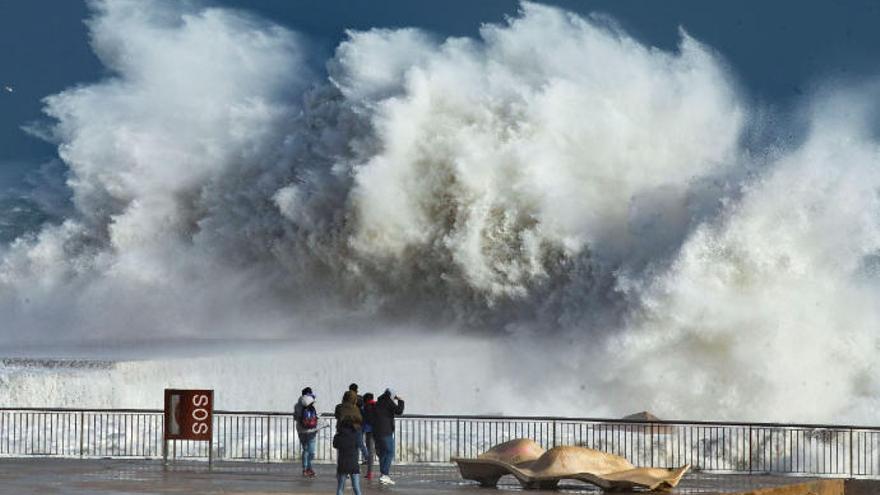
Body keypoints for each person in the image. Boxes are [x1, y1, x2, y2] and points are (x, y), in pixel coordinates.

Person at [373, 388, 405, 485]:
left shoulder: (378, 402)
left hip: (377, 432)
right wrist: (401, 401)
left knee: (383, 453)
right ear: (391, 395)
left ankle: (383, 475)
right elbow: (399, 411)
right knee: (390, 452)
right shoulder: (388, 402)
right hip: (386, 431)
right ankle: (385, 474)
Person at [294, 387, 320, 477]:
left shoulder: (297, 405)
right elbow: (317, 416)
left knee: (306, 450)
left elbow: (296, 417)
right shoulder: (313, 403)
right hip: (311, 430)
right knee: (311, 451)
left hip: (301, 430)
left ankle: (306, 469)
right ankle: (308, 468)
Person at [333, 419, 363, 495]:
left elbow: (335, 445)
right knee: (356, 488)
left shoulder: (338, 436)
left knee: (340, 488)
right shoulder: (356, 435)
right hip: (354, 464)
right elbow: (361, 445)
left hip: (342, 465)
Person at [348, 383, 369, 463]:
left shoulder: (352, 398)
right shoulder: (360, 398)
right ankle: (363, 459)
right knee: (358, 442)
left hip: (355, 423)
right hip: (360, 423)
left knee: (359, 442)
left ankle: (367, 458)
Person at [362, 392, 377, 480]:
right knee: (376, 451)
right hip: (378, 431)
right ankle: (384, 473)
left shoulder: (365, 407)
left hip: (369, 431)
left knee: (370, 451)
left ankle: (370, 473)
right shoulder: (377, 405)